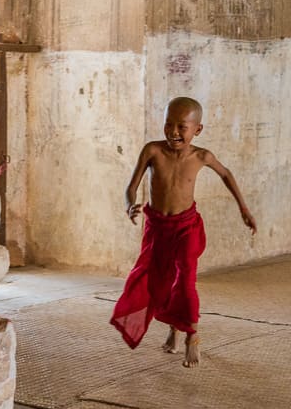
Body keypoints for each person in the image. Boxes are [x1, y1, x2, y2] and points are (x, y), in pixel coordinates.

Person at [110, 96, 256, 367]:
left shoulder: (202, 156)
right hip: (157, 228)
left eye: (182, 127)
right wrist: (130, 205)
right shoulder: (152, 151)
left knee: (186, 280)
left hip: (186, 228)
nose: (174, 132)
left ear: (197, 129)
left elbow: (226, 174)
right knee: (160, 283)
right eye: (168, 125)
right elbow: (131, 187)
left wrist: (244, 209)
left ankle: (192, 335)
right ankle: (173, 329)